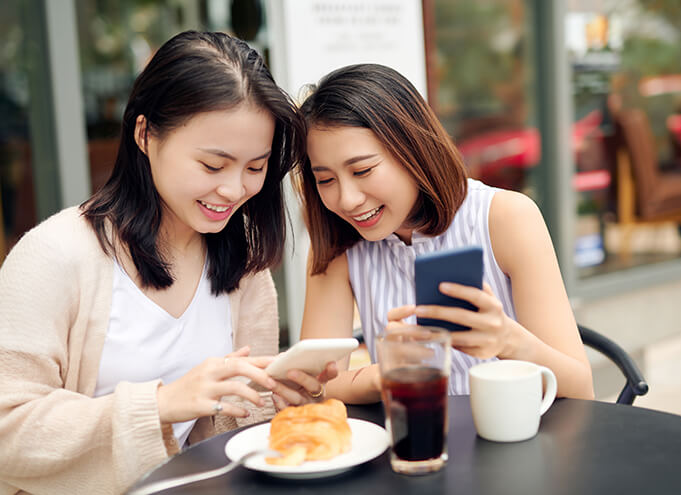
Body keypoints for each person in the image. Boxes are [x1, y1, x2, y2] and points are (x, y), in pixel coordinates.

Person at [0, 31, 335, 495]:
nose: (235, 190)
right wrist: (160, 404)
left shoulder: (244, 264)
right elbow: (7, 431)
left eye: (255, 168)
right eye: (213, 166)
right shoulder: (54, 257)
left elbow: (239, 434)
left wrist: (282, 398)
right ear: (144, 134)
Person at [296, 63, 594, 404]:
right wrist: (384, 375)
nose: (347, 199)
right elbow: (314, 388)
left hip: (516, 441)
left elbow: (582, 389)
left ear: (412, 150)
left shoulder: (505, 217)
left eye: (362, 170)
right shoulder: (338, 245)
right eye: (325, 180)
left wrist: (508, 341)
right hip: (416, 446)